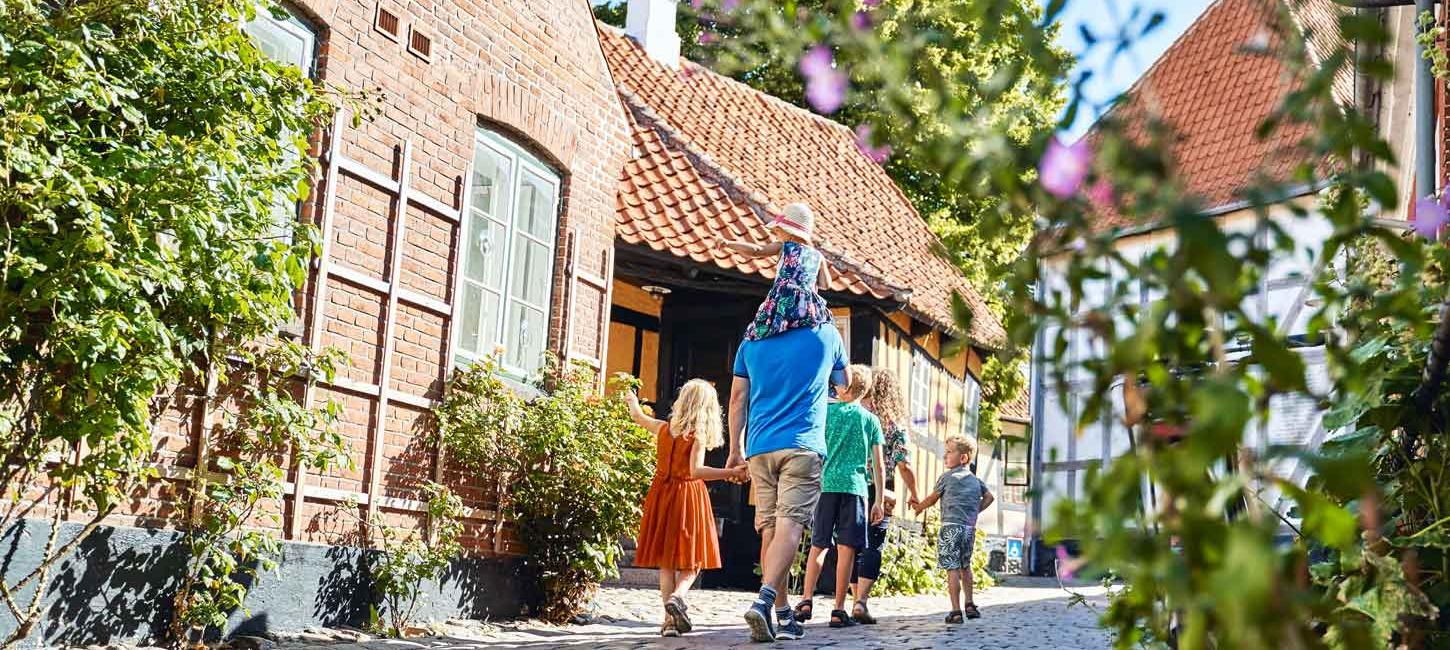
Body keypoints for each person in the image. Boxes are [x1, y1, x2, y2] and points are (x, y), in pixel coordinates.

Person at [727, 320, 848, 643]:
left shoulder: (752, 337)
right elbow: (845, 384)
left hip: (760, 447)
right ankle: (763, 599)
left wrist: (734, 449)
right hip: (802, 446)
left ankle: (781, 616)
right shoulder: (826, 334)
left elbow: (738, 398)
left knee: (770, 528)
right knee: (790, 525)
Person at [627, 380, 748, 637]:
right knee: (693, 561)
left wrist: (633, 402)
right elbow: (696, 471)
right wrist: (730, 472)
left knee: (667, 563)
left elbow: (638, 417)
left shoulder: (663, 428)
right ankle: (679, 596)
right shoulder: (697, 437)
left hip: (661, 496)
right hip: (686, 497)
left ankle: (668, 622)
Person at [793, 364, 884, 628]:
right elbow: (878, 464)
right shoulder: (870, 420)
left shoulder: (825, 413)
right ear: (865, 390)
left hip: (825, 485)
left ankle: (806, 599)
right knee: (847, 549)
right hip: (855, 488)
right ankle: (838, 609)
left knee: (819, 544)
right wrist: (878, 499)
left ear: (840, 385)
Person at [850, 367, 920, 624]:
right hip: (882, 489)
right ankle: (861, 602)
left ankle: (852, 599)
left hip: (852, 486)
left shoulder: (857, 414)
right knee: (873, 545)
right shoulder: (893, 422)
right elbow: (904, 464)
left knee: (851, 544)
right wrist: (914, 493)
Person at [716, 202, 833, 341]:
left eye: (778, 230)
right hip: (808, 308)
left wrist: (729, 244)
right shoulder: (818, 256)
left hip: (784, 299)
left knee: (757, 332)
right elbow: (826, 285)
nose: (776, 233)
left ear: (790, 233)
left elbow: (756, 251)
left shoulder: (784, 246)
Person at [914, 435, 993, 623]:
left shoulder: (947, 477)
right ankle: (970, 604)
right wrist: (974, 512)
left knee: (952, 568)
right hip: (968, 529)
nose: (945, 456)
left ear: (963, 458)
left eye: (949, 452)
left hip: (950, 527)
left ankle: (956, 611)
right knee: (966, 565)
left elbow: (933, 498)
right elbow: (989, 498)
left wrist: (919, 507)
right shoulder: (976, 481)